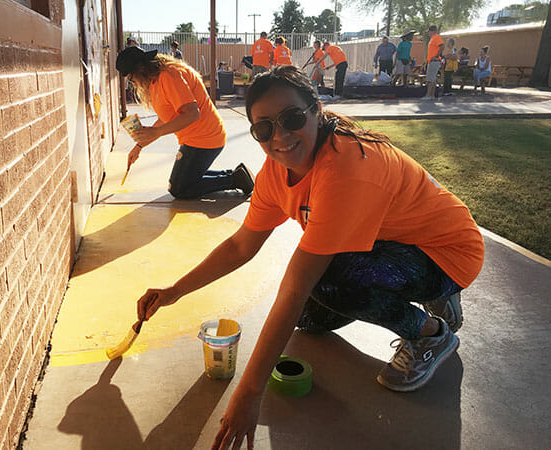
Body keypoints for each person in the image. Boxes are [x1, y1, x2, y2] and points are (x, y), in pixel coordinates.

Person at [135, 66, 484, 449]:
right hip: (389, 246)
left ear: (316, 110)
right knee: (307, 318)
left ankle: (431, 333)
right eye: (264, 128)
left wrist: (249, 394)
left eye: (292, 118)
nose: (280, 136)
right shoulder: (275, 172)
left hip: (445, 253)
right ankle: (432, 298)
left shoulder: (345, 169)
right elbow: (241, 246)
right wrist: (175, 291)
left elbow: (297, 284)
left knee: (328, 279)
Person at [115, 46, 255, 198]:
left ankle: (234, 180)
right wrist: (139, 145)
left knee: (178, 188)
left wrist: (155, 132)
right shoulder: (156, 80)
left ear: (140, 68)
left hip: (204, 138)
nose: (133, 83)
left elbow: (192, 114)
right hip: (196, 138)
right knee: (184, 179)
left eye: (131, 78)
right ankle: (235, 174)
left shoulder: (169, 75)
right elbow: (165, 118)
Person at [423, 25, 444, 100]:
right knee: (433, 79)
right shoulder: (432, 38)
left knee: (430, 79)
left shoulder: (436, 37)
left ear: (432, 31)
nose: (428, 33)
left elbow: (442, 46)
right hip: (431, 61)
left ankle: (428, 95)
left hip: (434, 61)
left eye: (429, 31)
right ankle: (432, 95)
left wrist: (436, 56)